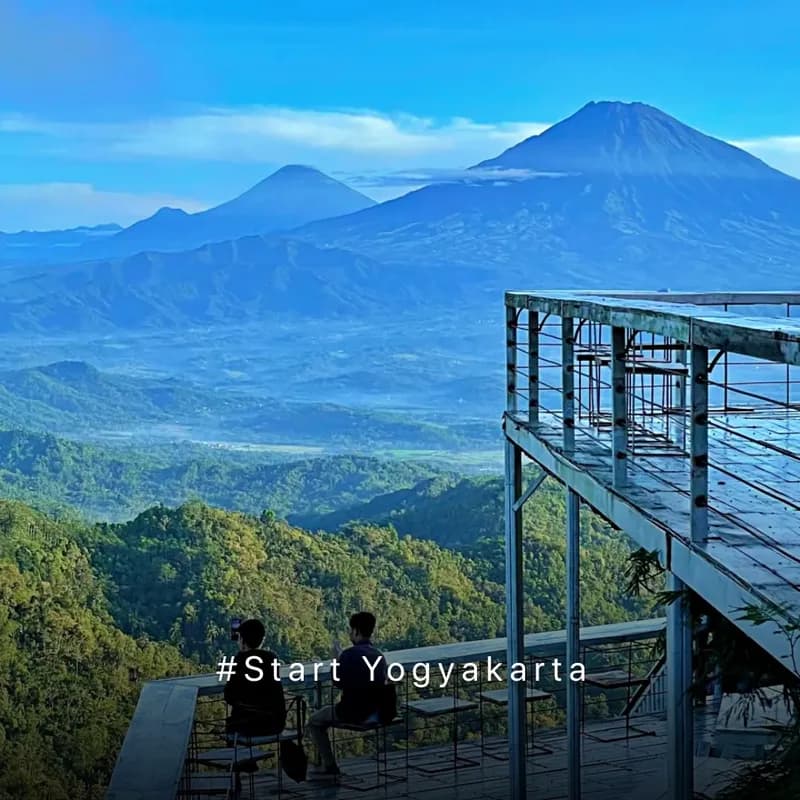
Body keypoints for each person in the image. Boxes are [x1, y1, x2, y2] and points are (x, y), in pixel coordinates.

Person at [308, 611, 388, 776]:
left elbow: (338, 682)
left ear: (356, 631)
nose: (350, 633)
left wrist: (336, 659)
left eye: (351, 630)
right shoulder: (379, 655)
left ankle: (329, 766)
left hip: (352, 713)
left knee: (314, 721)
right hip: (377, 712)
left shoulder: (349, 655)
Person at [224, 618, 286, 739]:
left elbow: (229, 696)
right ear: (262, 640)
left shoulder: (239, 661)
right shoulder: (272, 658)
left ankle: (238, 756)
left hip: (247, 726)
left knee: (231, 725)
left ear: (241, 640)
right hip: (274, 724)